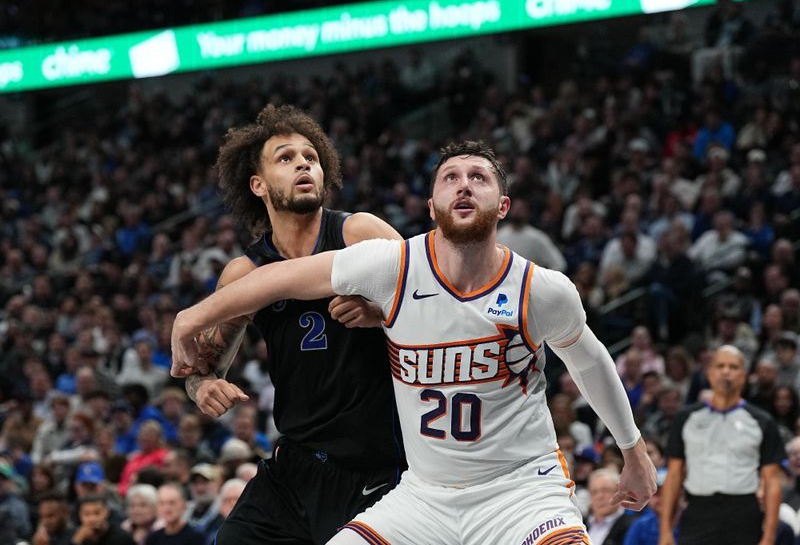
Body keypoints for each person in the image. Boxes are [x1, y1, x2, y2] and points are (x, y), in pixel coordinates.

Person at [172, 140, 656, 544]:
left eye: (479, 178)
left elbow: (591, 362)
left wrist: (633, 449)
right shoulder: (393, 265)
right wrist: (189, 318)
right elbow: (277, 279)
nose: (464, 185)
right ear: (431, 207)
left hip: (519, 490)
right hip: (422, 495)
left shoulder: (542, 290)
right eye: (450, 177)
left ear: (503, 206)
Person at [177, 104, 405, 544]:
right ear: (257, 185)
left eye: (312, 157)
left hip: (376, 468)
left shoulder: (360, 233)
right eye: (285, 157)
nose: (303, 163)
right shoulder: (244, 274)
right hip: (294, 467)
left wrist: (383, 315)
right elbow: (198, 370)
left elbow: (438, 307)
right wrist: (202, 387)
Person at [659, 345, 784, 545]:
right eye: (720, 366)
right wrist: (665, 532)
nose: (726, 371)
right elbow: (674, 476)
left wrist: (768, 537)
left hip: (743, 512)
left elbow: (772, 482)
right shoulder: (686, 418)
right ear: (710, 374)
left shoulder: (762, 421)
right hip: (698, 511)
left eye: (733, 367)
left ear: (743, 376)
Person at [585, 469, 635, 545]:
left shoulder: (633, 525)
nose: (599, 496)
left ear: (619, 493)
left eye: (605, 490)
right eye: (594, 492)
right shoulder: (579, 524)